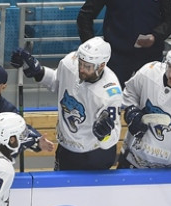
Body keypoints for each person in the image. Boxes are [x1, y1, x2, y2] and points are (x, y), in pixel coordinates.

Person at [11, 37, 124, 171]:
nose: (81, 69)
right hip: (66, 150)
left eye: (87, 66)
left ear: (101, 65)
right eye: (80, 63)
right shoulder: (69, 63)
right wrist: (38, 71)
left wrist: (104, 134)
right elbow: (56, 82)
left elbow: (113, 137)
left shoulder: (110, 93)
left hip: (94, 155)